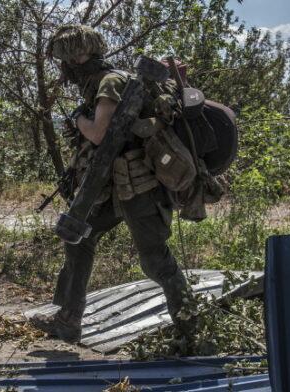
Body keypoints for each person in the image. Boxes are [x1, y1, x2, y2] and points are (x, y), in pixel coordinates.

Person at [30, 25, 193, 344]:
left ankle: (190, 331)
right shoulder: (101, 82)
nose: (64, 70)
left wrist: (79, 118)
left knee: (155, 260)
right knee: (78, 238)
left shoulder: (110, 82)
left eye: (66, 61)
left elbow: (99, 133)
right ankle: (68, 320)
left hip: (138, 186)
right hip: (112, 186)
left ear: (78, 57)